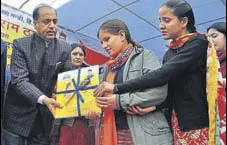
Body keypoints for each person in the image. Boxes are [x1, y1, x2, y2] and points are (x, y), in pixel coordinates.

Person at [94, 0, 224, 144]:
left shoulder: (197, 43)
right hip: (177, 120)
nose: (161, 25)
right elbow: (172, 89)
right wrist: (156, 106)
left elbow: (162, 75)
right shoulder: (170, 52)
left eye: (166, 20)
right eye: (160, 21)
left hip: (197, 121)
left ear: (183, 22)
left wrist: (117, 88)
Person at [88, 19, 173, 145]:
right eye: (101, 42)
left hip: (144, 133)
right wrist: (93, 109)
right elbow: (97, 100)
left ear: (122, 35)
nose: (103, 46)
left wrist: (119, 101)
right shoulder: (106, 68)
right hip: (112, 133)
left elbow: (158, 93)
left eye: (107, 39)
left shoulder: (145, 57)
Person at [2, 4, 73, 145]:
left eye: (55, 21)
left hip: (44, 119)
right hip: (17, 116)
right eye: (47, 22)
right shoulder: (20, 45)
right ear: (35, 24)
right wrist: (44, 99)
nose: (52, 26)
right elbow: (20, 81)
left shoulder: (65, 48)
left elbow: (68, 80)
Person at [51, 43, 96, 145]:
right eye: (75, 54)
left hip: (83, 123)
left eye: (81, 55)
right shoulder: (58, 70)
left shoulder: (90, 75)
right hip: (61, 122)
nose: (78, 57)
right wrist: (53, 95)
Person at [207, 22, 226, 145]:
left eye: (214, 36)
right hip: (216, 116)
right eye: (208, 37)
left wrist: (220, 82)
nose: (210, 40)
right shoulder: (210, 62)